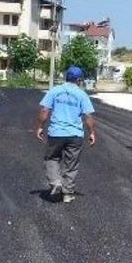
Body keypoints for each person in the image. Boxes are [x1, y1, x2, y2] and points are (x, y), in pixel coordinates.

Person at [36, 66, 97, 203]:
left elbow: (45, 110)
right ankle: (67, 193)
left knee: (51, 158)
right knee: (71, 164)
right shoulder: (82, 95)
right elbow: (88, 116)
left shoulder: (55, 91)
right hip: (75, 135)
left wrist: (40, 127)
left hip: (56, 133)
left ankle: (55, 182)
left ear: (66, 77)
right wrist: (92, 132)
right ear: (79, 80)